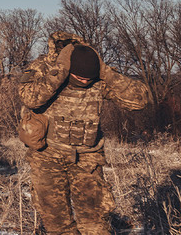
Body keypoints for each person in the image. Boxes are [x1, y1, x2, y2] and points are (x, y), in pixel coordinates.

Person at [19, 31, 150, 235]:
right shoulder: (43, 67)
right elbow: (30, 98)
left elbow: (139, 100)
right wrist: (58, 74)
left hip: (87, 158)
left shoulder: (98, 73)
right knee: (57, 225)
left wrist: (106, 72)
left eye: (88, 79)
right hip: (47, 156)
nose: (85, 81)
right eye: (79, 77)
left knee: (95, 224)